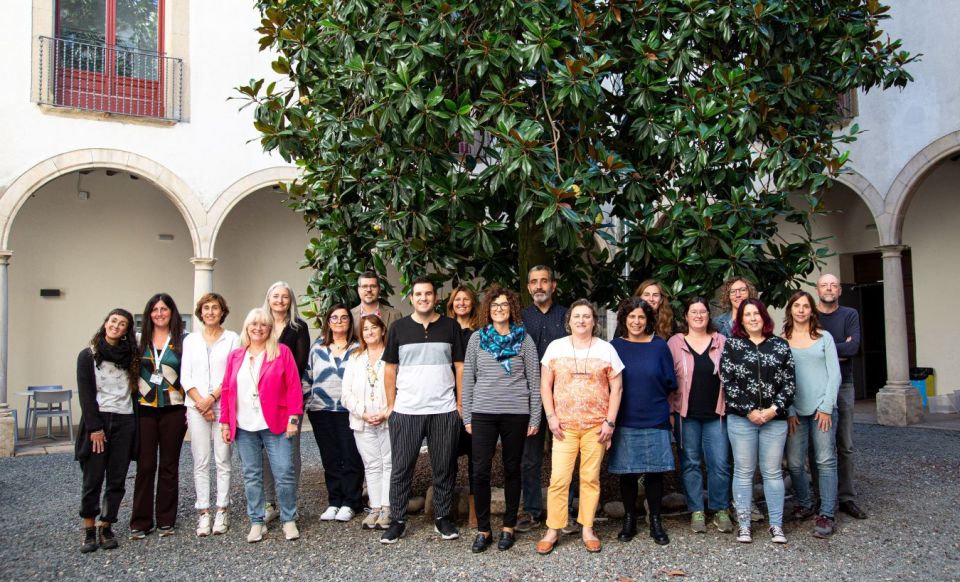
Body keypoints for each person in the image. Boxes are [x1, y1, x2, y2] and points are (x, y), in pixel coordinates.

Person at [380, 277, 466, 544]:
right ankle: (397, 520)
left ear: (435, 298)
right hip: (407, 410)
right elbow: (390, 368)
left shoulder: (450, 327)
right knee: (402, 467)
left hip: (444, 408)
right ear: (412, 298)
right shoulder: (398, 328)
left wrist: (460, 404)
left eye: (428, 294)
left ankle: (442, 518)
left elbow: (460, 367)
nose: (423, 298)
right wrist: (392, 405)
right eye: (418, 294)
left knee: (444, 466)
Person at [536, 300, 623, 555]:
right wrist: (550, 417)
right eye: (577, 317)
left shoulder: (606, 349)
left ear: (594, 321)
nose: (582, 321)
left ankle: (587, 528)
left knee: (590, 478)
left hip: (596, 427)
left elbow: (616, 388)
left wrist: (610, 421)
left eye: (587, 316)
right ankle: (553, 529)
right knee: (559, 479)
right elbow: (545, 385)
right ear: (569, 321)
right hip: (564, 427)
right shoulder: (555, 347)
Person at [462, 286, 541, 553]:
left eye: (504, 305)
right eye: (495, 305)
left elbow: (534, 379)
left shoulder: (524, 340)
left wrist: (535, 415)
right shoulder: (477, 339)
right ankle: (484, 529)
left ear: (512, 309)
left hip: (516, 413)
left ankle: (508, 526)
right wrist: (467, 414)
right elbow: (468, 379)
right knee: (480, 470)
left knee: (512, 469)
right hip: (483, 413)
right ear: (488, 309)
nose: (499, 309)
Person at [219, 308, 303, 542]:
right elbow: (227, 389)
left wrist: (293, 419)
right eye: (253, 324)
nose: (258, 328)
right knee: (251, 475)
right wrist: (225, 422)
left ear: (269, 329)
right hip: (244, 426)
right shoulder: (236, 356)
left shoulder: (281, 352)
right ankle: (257, 521)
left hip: (276, 423)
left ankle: (288, 519)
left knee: (285, 471)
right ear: (246, 327)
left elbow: (294, 386)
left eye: (263, 324)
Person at [720, 299, 795, 544]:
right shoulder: (732, 345)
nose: (752, 318)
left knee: (772, 472)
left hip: (775, 419)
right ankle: (744, 525)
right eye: (747, 314)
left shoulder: (780, 345)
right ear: (740, 320)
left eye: (756, 314)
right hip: (742, 419)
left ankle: (776, 525)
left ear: (764, 317)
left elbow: (789, 383)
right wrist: (750, 410)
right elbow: (728, 382)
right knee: (743, 471)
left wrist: (774, 410)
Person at [609, 298, 677, 546]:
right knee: (626, 474)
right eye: (631, 317)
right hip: (625, 417)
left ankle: (656, 520)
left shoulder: (659, 346)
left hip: (655, 416)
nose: (636, 322)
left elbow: (671, 381)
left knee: (654, 473)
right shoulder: (613, 347)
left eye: (641, 317)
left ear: (648, 320)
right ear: (624, 320)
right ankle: (629, 520)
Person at [76, 309, 140, 553]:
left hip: (125, 421)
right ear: (105, 323)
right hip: (99, 422)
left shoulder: (130, 356)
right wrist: (94, 427)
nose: (116, 326)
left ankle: (107, 524)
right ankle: (89, 529)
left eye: (122, 324)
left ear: (126, 330)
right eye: (113, 321)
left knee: (117, 477)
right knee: (92, 477)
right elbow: (85, 394)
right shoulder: (88, 355)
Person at [667, 297, 733, 535]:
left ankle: (720, 508)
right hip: (686, 415)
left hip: (717, 414)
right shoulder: (675, 342)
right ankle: (696, 509)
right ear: (686, 316)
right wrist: (669, 412)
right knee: (690, 463)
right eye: (693, 311)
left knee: (719, 464)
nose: (698, 315)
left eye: (703, 311)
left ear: (708, 316)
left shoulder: (721, 341)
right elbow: (667, 378)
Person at [181, 293, 240, 537]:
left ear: (222, 311)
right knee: (201, 460)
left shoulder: (232, 338)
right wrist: (200, 403)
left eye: (215, 308)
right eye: (206, 308)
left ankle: (222, 509)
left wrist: (212, 399)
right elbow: (186, 375)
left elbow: (232, 373)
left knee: (223, 459)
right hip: (195, 406)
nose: (210, 312)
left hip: (222, 403)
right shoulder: (190, 340)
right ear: (200, 312)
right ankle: (203, 511)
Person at [130, 293, 188, 540]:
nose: (160, 313)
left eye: (164, 309)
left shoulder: (182, 341)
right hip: (145, 408)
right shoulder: (138, 340)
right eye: (155, 309)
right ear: (148, 313)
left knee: (169, 465)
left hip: (173, 408)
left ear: (172, 313)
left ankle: (166, 520)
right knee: (145, 465)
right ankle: (141, 522)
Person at [784, 291, 841, 538]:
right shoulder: (782, 340)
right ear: (790, 310)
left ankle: (826, 513)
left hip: (822, 410)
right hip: (795, 411)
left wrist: (827, 406)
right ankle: (805, 503)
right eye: (796, 306)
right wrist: (789, 409)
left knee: (825, 461)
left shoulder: (824, 338)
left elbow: (835, 374)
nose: (801, 310)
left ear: (811, 310)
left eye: (805, 306)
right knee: (795, 463)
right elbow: (780, 379)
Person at [517, 265, 568, 533]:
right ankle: (533, 511)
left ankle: (568, 510)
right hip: (530, 397)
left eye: (544, 281)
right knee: (530, 456)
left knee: (567, 453)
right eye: (534, 282)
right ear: (528, 288)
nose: (539, 286)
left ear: (553, 286)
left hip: (564, 395)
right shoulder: (521, 318)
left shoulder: (567, 316)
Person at [303, 304, 365, 522]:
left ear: (350, 321)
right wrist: (305, 403)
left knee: (351, 456)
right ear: (328, 322)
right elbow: (308, 376)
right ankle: (334, 501)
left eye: (344, 318)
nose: (339, 322)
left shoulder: (358, 347)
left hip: (348, 410)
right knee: (330, 457)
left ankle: (351, 502)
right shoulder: (317, 347)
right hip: (321, 410)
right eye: (334, 318)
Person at [815, 273, 867, 520]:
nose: (829, 288)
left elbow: (853, 348)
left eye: (834, 285)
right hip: (815, 385)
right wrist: (838, 347)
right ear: (817, 290)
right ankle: (820, 497)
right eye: (824, 285)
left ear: (840, 290)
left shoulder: (849, 315)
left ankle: (846, 497)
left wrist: (823, 348)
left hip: (843, 385)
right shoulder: (808, 313)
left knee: (844, 444)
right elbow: (804, 347)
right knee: (817, 445)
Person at [262, 281, 310, 524]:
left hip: (289, 397)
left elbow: (299, 363)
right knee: (265, 451)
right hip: (261, 399)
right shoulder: (261, 324)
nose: (280, 301)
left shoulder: (298, 327)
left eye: (285, 297)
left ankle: (289, 502)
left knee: (290, 450)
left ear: (291, 301)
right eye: (276, 296)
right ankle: (269, 501)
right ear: (269, 299)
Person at [341, 314, 393, 530]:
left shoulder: (392, 355)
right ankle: (375, 508)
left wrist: (385, 411)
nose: (370, 332)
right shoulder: (355, 358)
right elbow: (346, 393)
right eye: (365, 329)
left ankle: (388, 508)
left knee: (389, 463)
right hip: (362, 420)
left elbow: (398, 387)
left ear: (382, 330)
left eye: (374, 327)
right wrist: (362, 412)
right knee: (372, 464)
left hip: (387, 418)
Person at [446, 284, 480, 529]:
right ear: (451, 304)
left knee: (476, 458)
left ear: (473, 303)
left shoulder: (481, 332)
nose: (461, 303)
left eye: (466, 299)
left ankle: (475, 511)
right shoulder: (445, 330)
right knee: (447, 457)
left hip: (476, 400)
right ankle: (446, 510)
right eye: (457, 300)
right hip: (447, 401)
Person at [351, 270, 402, 336]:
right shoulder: (350, 315)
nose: (369, 290)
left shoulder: (395, 315)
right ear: (358, 290)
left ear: (379, 289)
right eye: (364, 286)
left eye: (373, 286)